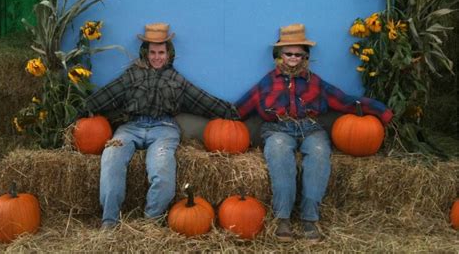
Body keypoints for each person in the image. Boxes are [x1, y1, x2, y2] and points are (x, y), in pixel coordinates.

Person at [235, 23, 393, 242]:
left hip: (310, 128)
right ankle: (283, 218)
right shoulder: (268, 82)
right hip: (277, 129)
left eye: (298, 54)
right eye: (288, 53)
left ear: (305, 57)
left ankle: (310, 218)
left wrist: (380, 111)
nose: (293, 58)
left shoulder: (315, 82)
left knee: (319, 154)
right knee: (279, 154)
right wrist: (221, 117)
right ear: (279, 55)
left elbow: (344, 101)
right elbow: (242, 107)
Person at [84, 23, 238, 229]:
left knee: (162, 169)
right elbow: (107, 95)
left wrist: (233, 113)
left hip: (164, 129)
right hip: (130, 127)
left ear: (169, 53)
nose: (157, 57)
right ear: (145, 53)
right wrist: (79, 110)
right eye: (153, 52)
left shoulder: (176, 79)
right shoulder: (132, 75)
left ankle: (150, 222)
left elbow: (202, 100)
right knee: (111, 158)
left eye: (161, 52)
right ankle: (109, 222)